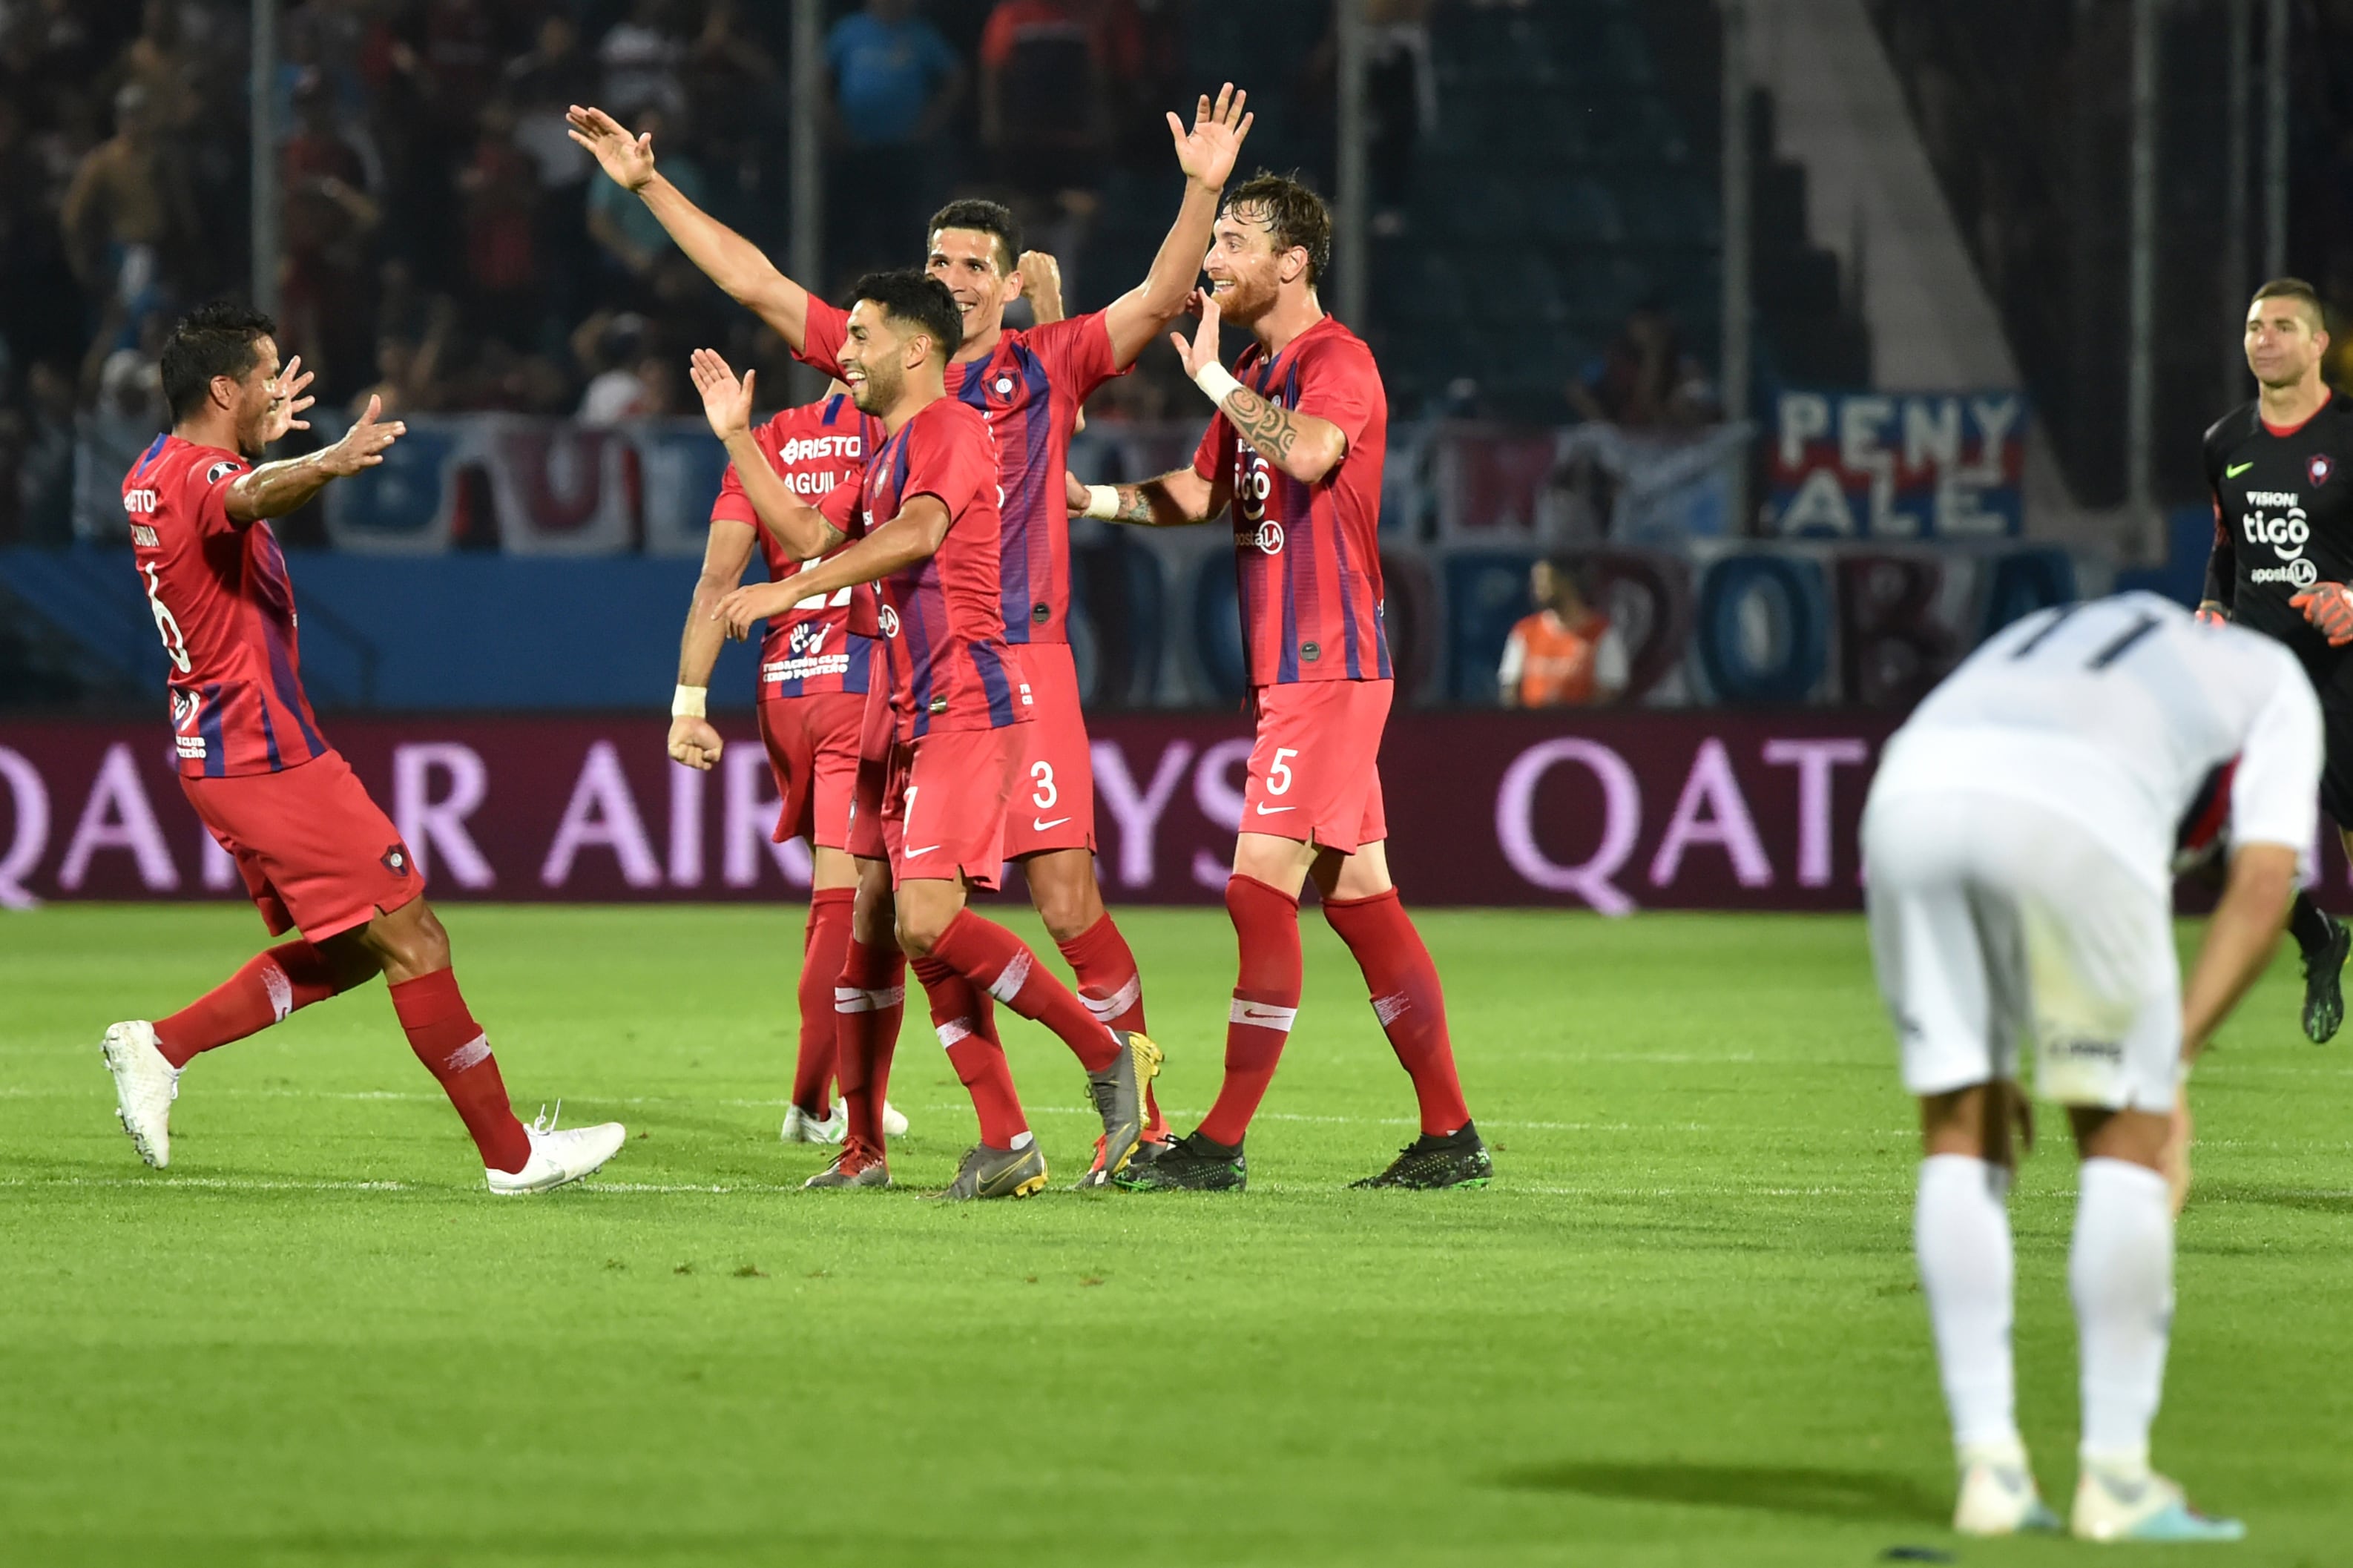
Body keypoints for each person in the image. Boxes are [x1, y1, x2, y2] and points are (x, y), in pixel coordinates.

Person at [567, 82, 1253, 1182]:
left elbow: (1165, 293)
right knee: (892, 907)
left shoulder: (1046, 362)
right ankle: (947, 1136)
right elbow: (754, 282)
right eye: (940, 262)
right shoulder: (892, 382)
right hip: (909, 674)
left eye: (976, 263)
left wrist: (1200, 190)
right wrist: (651, 189)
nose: (953, 278)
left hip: (1010, 664)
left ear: (1016, 280)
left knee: (1060, 897)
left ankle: (1143, 1110)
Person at [99, 303, 625, 1193]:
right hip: (267, 757)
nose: (278, 385)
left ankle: (164, 1045)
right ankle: (513, 1156)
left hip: (218, 749)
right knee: (416, 937)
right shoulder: (206, 477)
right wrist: (328, 461)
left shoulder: (148, 470)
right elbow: (248, 494)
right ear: (225, 388)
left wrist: (271, 446)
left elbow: (233, 488)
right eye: (266, 373)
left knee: (354, 946)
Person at [1863, 591, 2310, 1542]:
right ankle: (2116, 1477)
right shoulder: (2278, 681)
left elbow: (1999, 789)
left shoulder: (2064, 626)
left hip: (1906, 789)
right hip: (2077, 812)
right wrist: (2170, 1059)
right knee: (2126, 1144)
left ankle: (1988, 1471)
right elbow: (2264, 883)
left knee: (1958, 1129)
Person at [1070, 171, 1486, 1191]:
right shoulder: (1259, 366)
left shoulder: (1333, 359)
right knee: (1361, 901)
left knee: (1258, 889)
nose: (1212, 260)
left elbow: (1309, 453)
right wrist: (1088, 497)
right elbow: (1202, 490)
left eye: (1233, 240)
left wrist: (1213, 378)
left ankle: (1218, 1143)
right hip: (1296, 672)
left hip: (1329, 665)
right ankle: (1451, 1138)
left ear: (1292, 260)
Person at [708, 272, 1159, 1199]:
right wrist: (737, 442)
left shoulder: (950, 428)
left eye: (863, 336)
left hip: (963, 702)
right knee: (878, 924)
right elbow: (806, 528)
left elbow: (918, 534)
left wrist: (790, 590)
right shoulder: (886, 448)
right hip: (900, 709)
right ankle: (907, 1147)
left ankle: (1106, 1054)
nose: (847, 352)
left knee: (924, 920)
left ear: (916, 348)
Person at [671, 363, 909, 1149]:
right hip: (857, 674)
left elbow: (717, 577)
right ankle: (816, 1103)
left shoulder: (769, 437)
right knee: (852, 902)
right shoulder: (895, 425)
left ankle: (842, 1088)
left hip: (783, 686)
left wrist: (689, 702)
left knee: (850, 893)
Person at [2196, 276, 2353, 1044]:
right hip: (2259, 673)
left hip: (2343, 669)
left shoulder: (2349, 437)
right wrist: (2214, 606)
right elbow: (2226, 549)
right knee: (2223, 837)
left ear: (2318, 343)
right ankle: (2318, 938)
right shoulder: (2225, 443)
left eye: (2284, 325)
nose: (2265, 338)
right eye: (2255, 325)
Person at [1498, 556, 1625, 708]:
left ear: (1567, 582)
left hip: (1581, 728)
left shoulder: (1602, 633)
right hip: (1532, 727)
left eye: (1544, 580)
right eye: (1536, 581)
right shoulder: (1525, 631)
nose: (1538, 588)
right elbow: (1510, 690)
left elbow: (1608, 693)